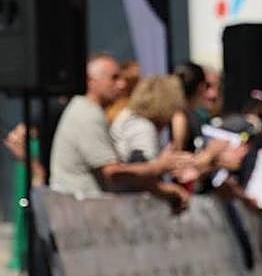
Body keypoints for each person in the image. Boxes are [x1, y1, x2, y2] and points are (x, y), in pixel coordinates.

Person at [49, 54, 192, 212]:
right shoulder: (88, 114)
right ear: (91, 81)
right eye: (114, 78)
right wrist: (160, 167)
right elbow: (114, 173)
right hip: (80, 213)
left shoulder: (90, 111)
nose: (122, 85)